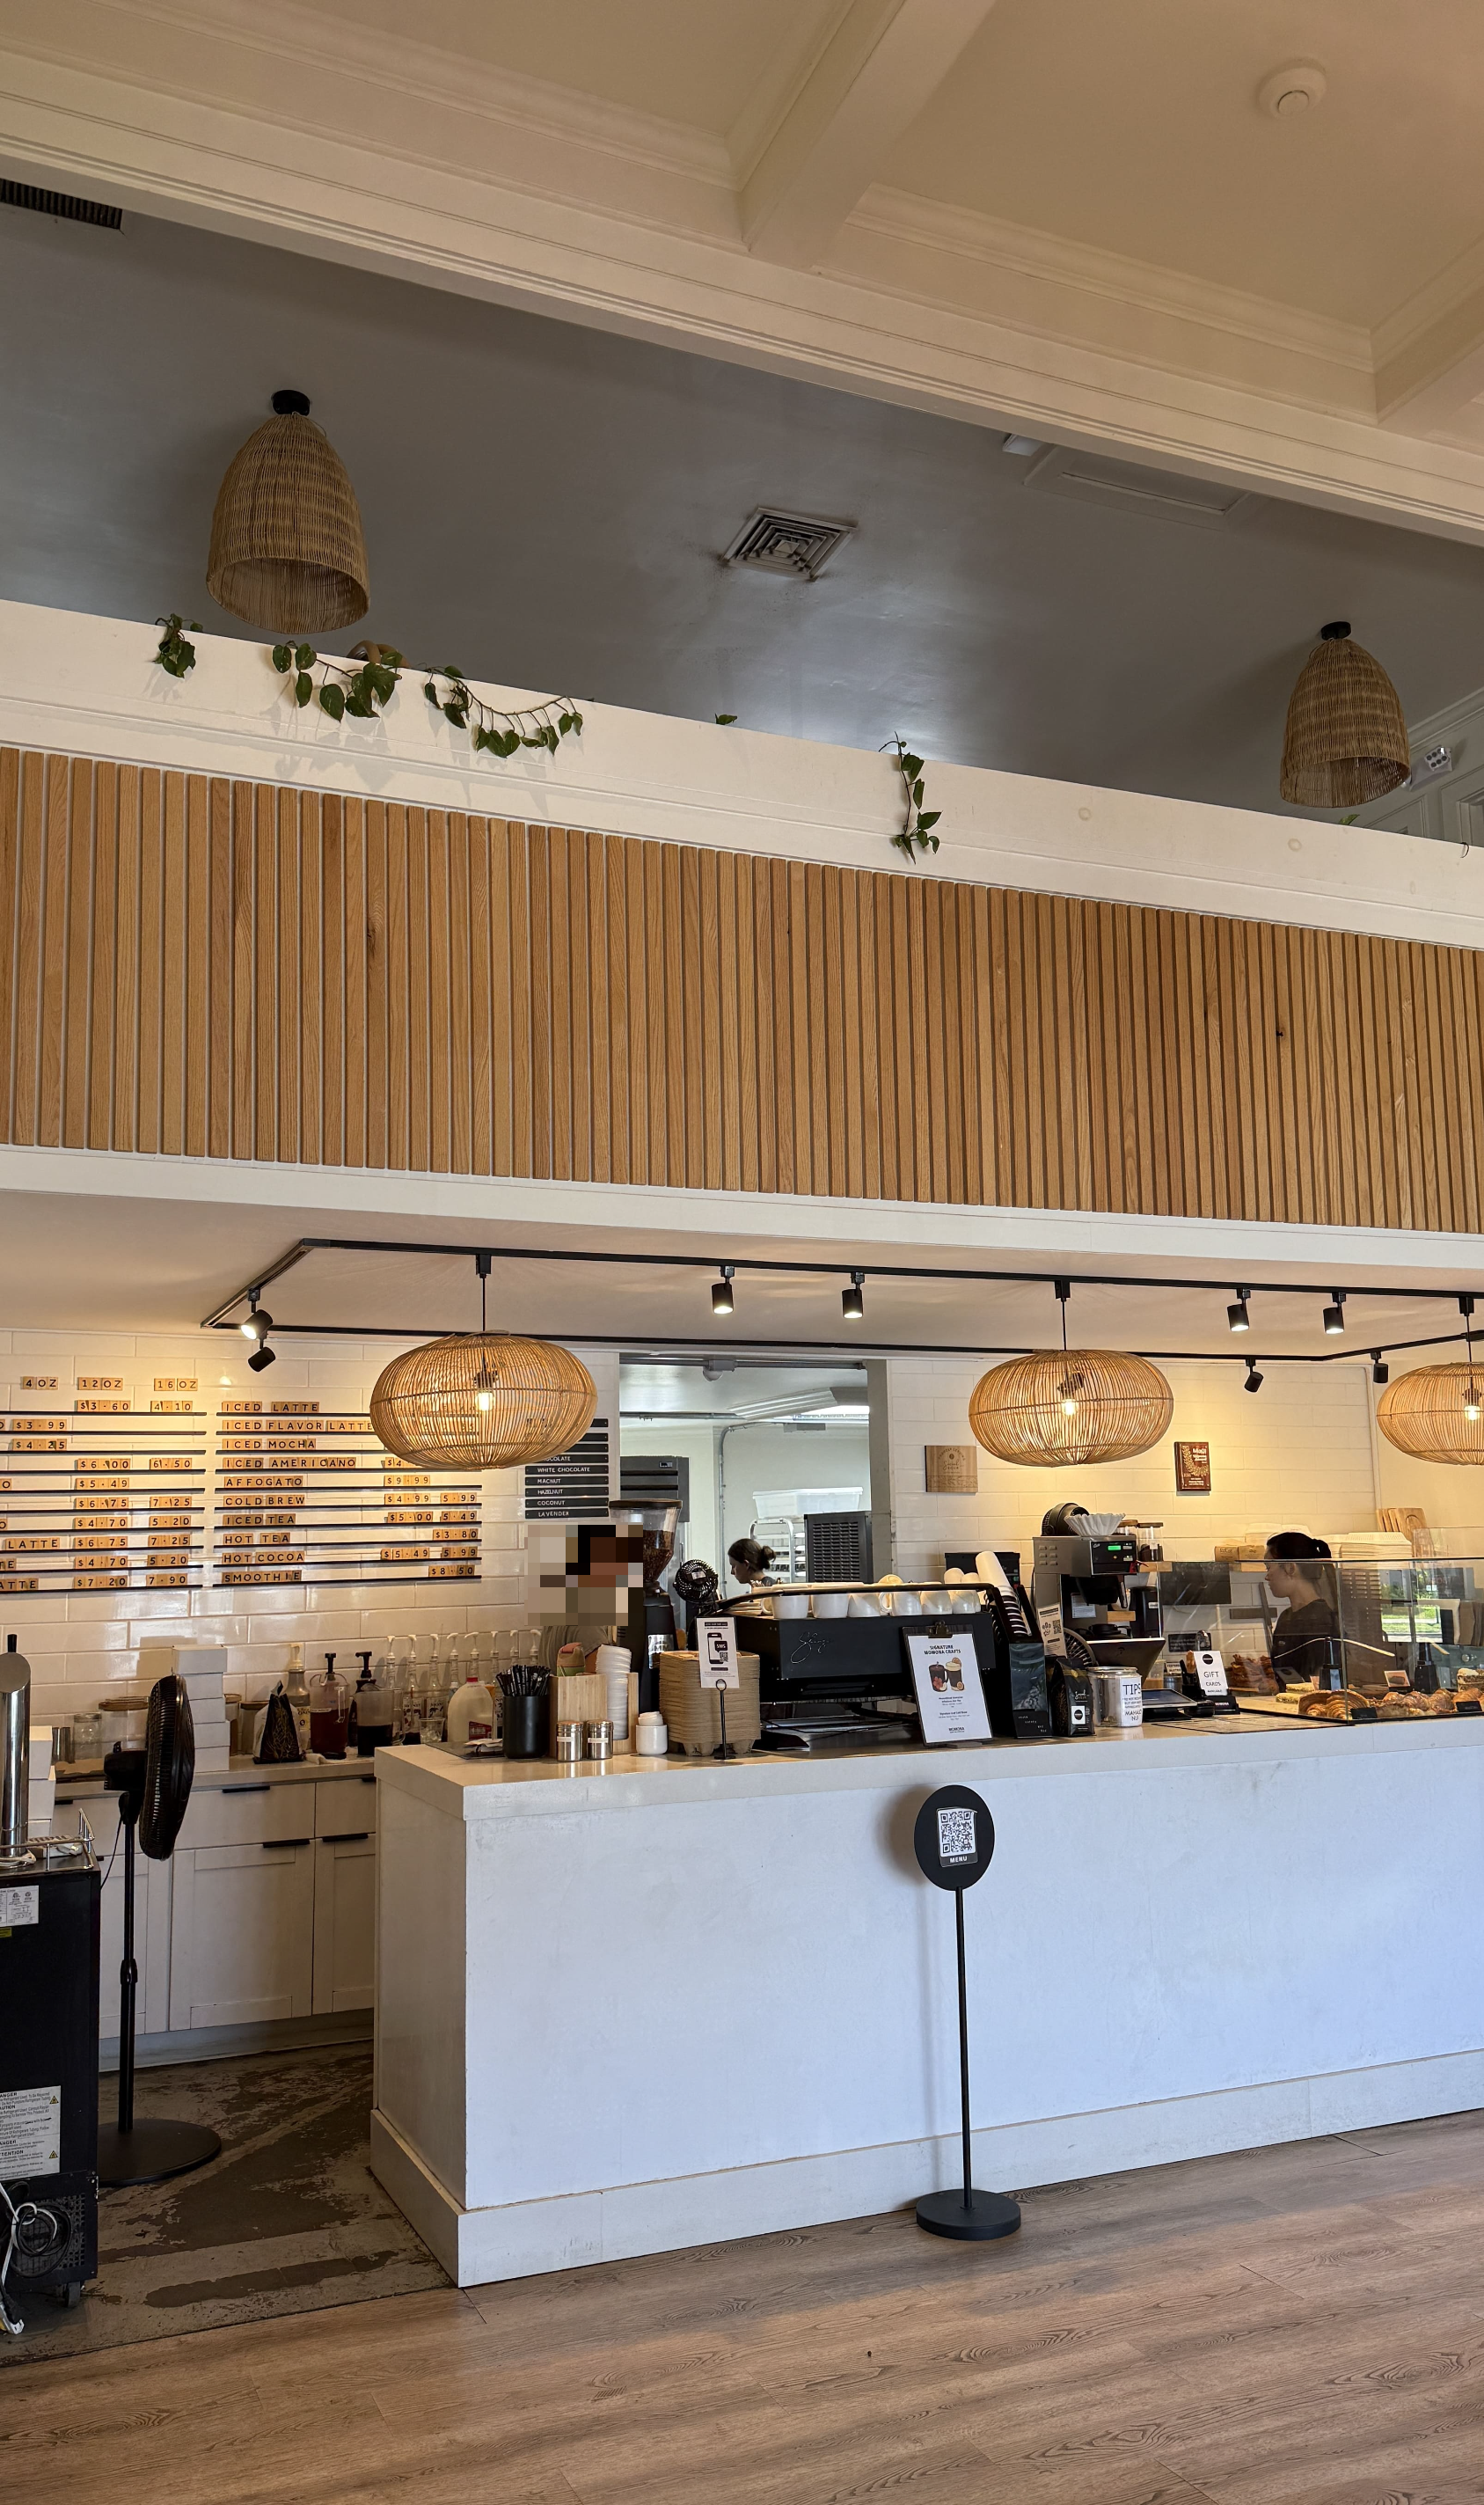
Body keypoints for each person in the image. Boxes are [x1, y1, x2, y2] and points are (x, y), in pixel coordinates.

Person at [1264, 1532, 1338, 1683]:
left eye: (1268, 1567)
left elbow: (1319, 1684)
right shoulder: (1286, 1617)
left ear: (1290, 1568)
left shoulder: (1320, 1621)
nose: (1267, 1576)